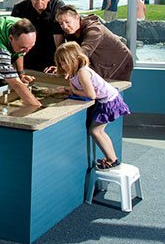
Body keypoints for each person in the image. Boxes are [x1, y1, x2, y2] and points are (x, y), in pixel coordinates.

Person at [53, 41, 130, 170]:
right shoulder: (75, 72)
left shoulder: (83, 72)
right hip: (107, 98)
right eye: (61, 62)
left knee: (95, 131)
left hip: (108, 102)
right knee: (99, 131)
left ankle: (113, 160)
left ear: (76, 59)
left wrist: (72, 91)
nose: (63, 65)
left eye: (65, 62)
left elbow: (91, 95)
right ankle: (112, 158)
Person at [54, 5, 134, 82]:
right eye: (61, 23)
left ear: (77, 18)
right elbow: (72, 54)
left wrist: (65, 67)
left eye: (67, 22)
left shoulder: (94, 30)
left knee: (107, 91)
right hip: (99, 62)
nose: (64, 26)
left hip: (120, 62)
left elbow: (83, 53)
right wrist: (60, 68)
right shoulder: (71, 32)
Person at [10, 0, 65, 72]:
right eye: (35, 0)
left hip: (50, 52)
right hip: (26, 53)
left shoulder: (58, 6)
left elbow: (58, 35)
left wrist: (59, 63)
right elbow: (13, 38)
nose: (39, 4)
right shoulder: (20, 8)